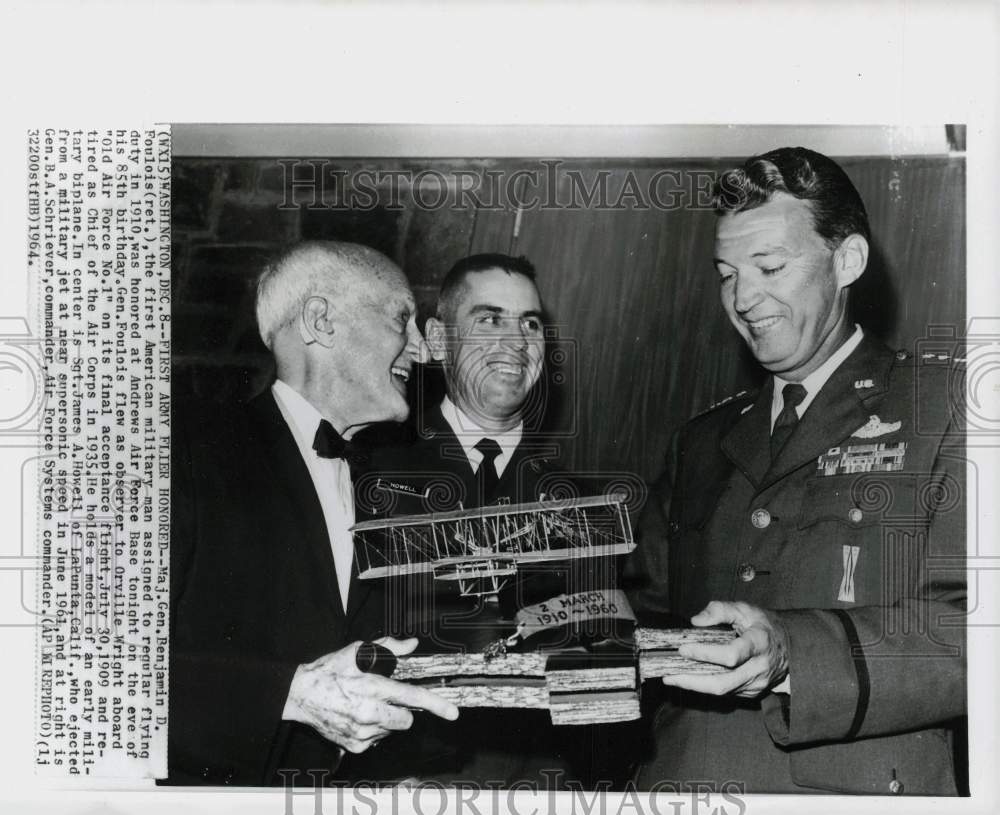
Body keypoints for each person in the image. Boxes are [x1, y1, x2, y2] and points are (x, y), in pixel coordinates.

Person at [631, 147, 966, 795]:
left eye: (770, 266)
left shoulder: (945, 409)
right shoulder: (698, 440)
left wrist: (793, 651)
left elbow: (977, 631)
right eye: (726, 274)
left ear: (848, 261)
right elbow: (646, 615)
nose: (742, 297)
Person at [166, 241, 458, 786]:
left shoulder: (397, 484)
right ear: (321, 320)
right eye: (402, 319)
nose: (423, 349)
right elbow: (94, 675)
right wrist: (290, 694)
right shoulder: (181, 450)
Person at [357, 253, 620, 787]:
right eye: (489, 319)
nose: (516, 341)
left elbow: (602, 687)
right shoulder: (369, 474)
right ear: (437, 339)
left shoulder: (583, 504)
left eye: (529, 323)